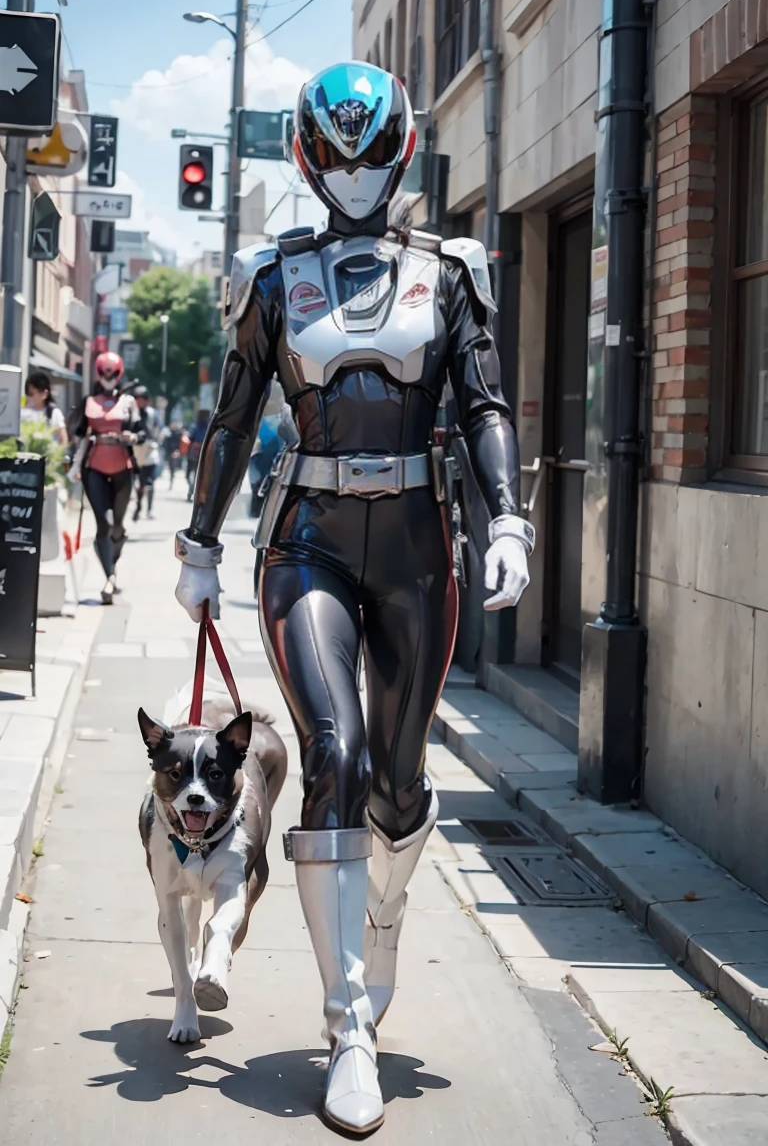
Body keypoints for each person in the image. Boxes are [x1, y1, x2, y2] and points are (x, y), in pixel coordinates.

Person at [174, 63, 533, 1135]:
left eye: (371, 150)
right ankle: (348, 1030)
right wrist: (196, 537)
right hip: (307, 545)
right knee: (331, 754)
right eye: (335, 152)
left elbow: (483, 402)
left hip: (422, 547)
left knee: (399, 775)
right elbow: (233, 420)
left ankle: (384, 913)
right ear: (306, 155)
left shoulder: (452, 270)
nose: (356, 171)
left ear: (403, 149)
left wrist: (508, 511)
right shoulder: (274, 278)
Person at [69, 351, 144, 605]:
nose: (108, 377)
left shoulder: (128, 402)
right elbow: (79, 432)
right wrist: (74, 461)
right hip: (95, 468)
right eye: (104, 373)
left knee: (118, 526)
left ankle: (111, 561)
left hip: (123, 466)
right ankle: (110, 578)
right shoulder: (89, 401)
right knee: (104, 522)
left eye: (112, 373)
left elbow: (141, 432)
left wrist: (131, 437)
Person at [131, 386, 161, 521]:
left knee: (149, 482)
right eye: (137, 399)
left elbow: (159, 428)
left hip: (149, 449)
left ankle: (149, 509)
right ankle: (138, 506)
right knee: (140, 483)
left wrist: (159, 438)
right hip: (136, 450)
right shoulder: (130, 413)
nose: (139, 402)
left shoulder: (152, 413)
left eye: (141, 399)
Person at [21, 372, 68, 446]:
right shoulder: (23, 413)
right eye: (27, 394)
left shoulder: (54, 413)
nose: (29, 397)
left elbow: (63, 440)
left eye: (31, 394)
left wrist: (55, 455)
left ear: (44, 393)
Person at [184, 409, 210, 502]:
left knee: (193, 475)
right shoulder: (197, 426)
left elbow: (190, 438)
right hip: (196, 453)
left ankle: (191, 492)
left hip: (198, 453)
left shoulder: (206, 427)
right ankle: (191, 490)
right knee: (191, 475)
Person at [162, 421, 183, 489]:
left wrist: (178, 451)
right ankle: (171, 480)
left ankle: (172, 480)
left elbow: (180, 443)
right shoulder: (168, 433)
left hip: (175, 452)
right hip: (169, 452)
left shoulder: (178, 433)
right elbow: (164, 444)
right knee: (171, 468)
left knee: (173, 468)